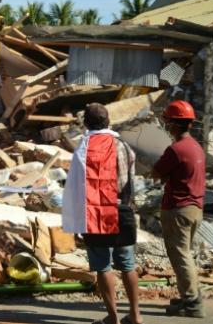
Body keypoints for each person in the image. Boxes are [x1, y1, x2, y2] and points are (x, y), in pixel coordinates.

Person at [62, 103, 142, 324]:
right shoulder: (123, 145)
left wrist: (76, 220)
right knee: (127, 264)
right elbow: (131, 177)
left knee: (103, 266)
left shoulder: (83, 147)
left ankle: (113, 318)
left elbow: (77, 186)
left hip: (96, 213)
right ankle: (136, 316)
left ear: (86, 123)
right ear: (108, 121)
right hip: (122, 210)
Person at [152, 100, 205, 318]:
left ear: (174, 124)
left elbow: (156, 172)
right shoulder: (195, 147)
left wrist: (161, 173)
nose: (167, 126)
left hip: (178, 209)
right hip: (195, 208)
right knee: (186, 254)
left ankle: (192, 303)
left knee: (180, 256)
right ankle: (189, 296)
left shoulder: (175, 150)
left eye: (168, 122)